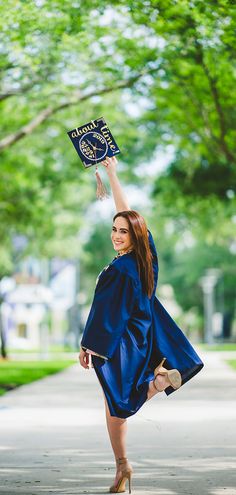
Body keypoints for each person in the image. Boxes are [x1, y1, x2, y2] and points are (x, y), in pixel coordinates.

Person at [78, 156, 204, 494]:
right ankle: (123, 467)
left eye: (124, 231)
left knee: (118, 400)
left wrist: (89, 345)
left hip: (124, 339)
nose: (117, 235)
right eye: (115, 230)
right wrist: (113, 173)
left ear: (135, 236)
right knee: (113, 404)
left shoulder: (120, 270)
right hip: (144, 333)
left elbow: (107, 311)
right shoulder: (144, 257)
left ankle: (155, 382)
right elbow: (128, 212)